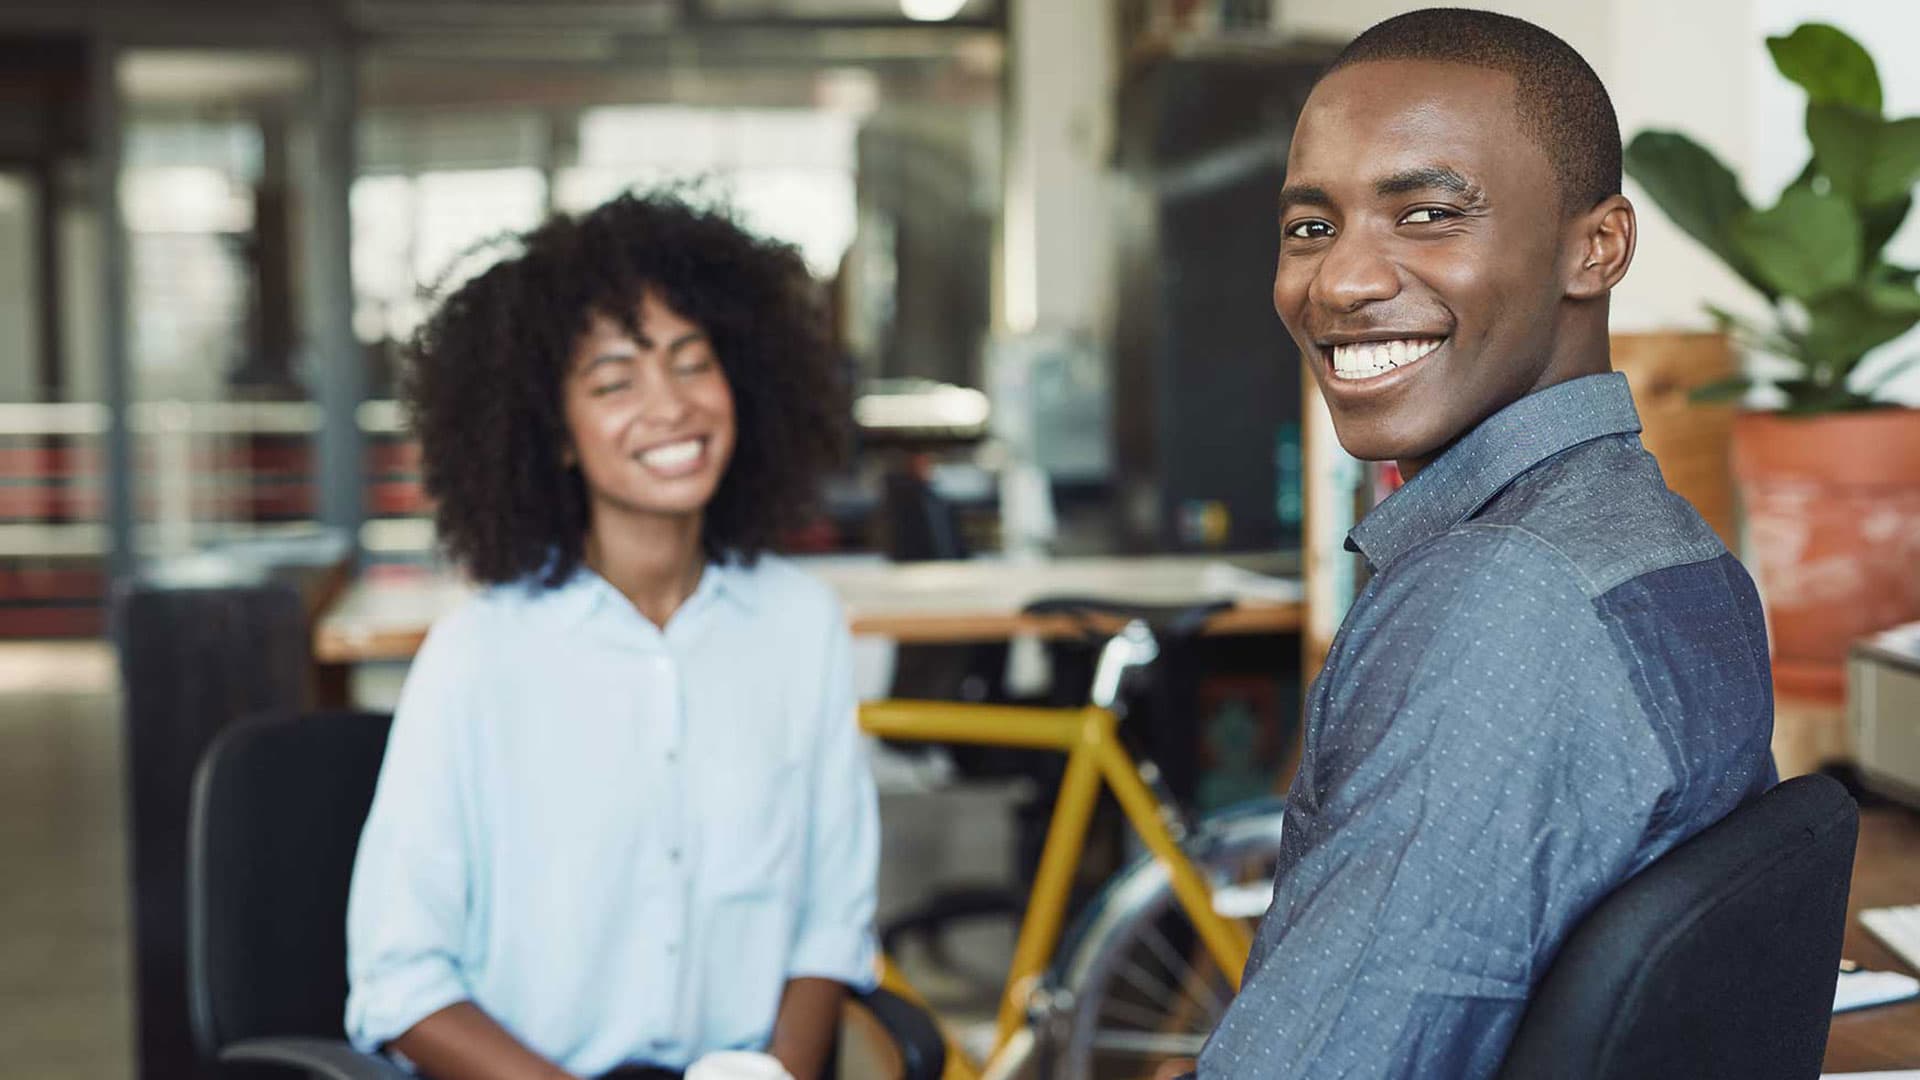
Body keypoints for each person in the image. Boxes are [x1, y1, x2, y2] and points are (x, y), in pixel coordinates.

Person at [1187, 9, 1776, 1078]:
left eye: (1424, 214)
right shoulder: (1663, 543)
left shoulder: (1501, 603)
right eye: (1312, 227)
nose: (1341, 283)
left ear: (1595, 248)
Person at [344, 191, 877, 1080]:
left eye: (692, 362)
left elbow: (831, 921)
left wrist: (775, 1074)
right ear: (555, 432)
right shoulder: (480, 656)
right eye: (614, 381)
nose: (670, 407)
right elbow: (398, 984)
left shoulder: (800, 628)